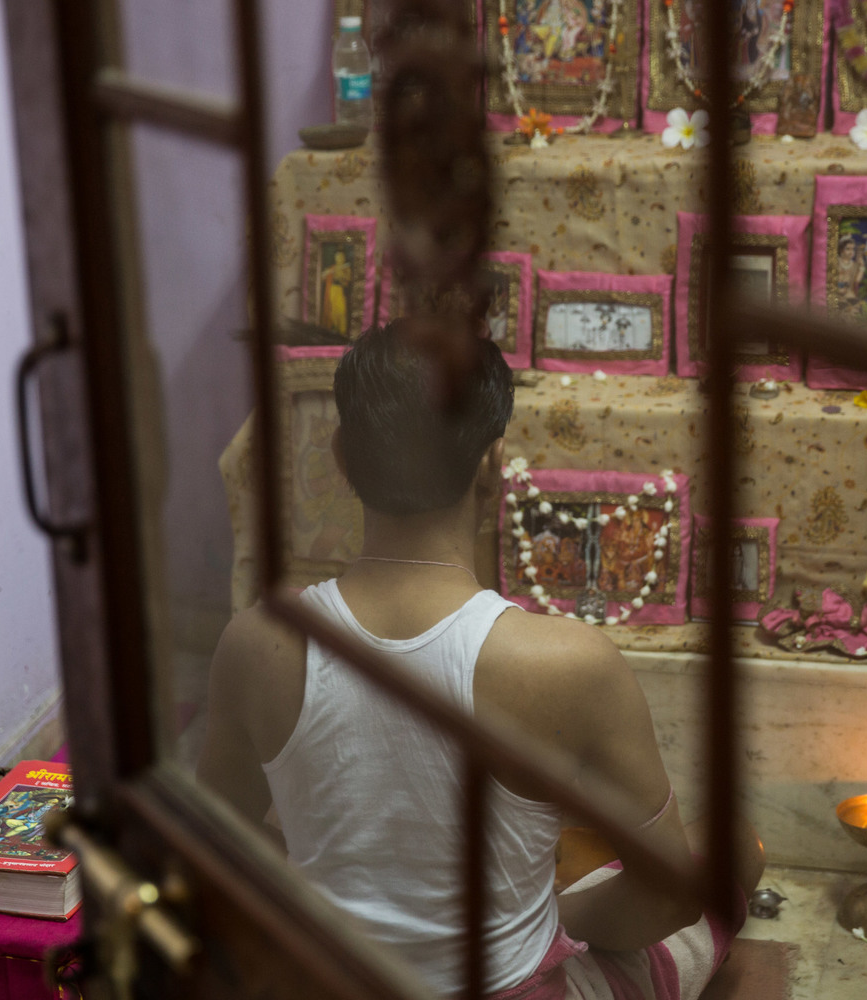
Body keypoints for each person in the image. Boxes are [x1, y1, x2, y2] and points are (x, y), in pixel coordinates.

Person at [198, 320, 764, 998]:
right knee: (730, 847)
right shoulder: (569, 664)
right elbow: (669, 897)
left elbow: (216, 844)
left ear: (342, 456)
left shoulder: (257, 642)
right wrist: (559, 918)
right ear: (495, 465)